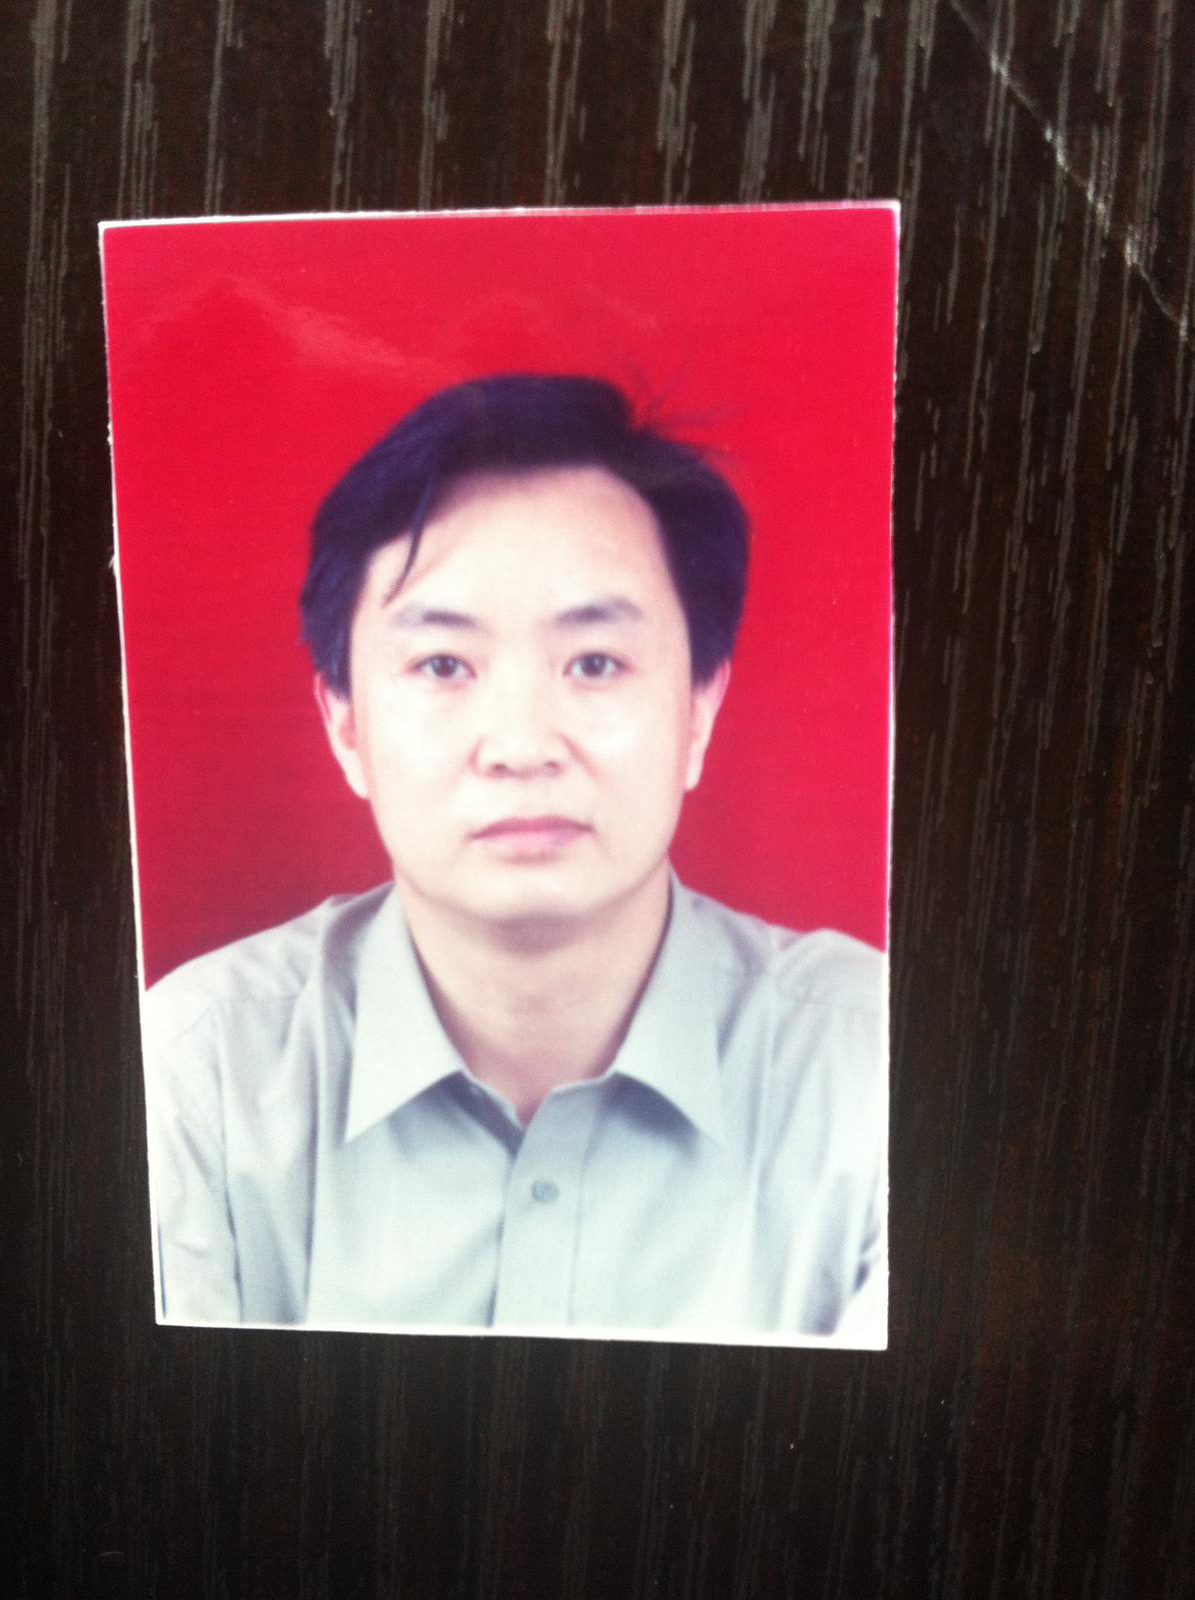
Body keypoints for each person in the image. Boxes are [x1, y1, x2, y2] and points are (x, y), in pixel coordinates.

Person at [142, 373, 887, 1343]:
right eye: (442, 665)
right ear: (346, 726)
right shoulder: (192, 1080)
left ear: (698, 711)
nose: (522, 745)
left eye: (594, 663)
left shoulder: (875, 1076)